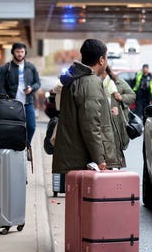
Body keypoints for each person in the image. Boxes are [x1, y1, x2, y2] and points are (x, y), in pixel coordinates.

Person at [52, 39, 121, 173]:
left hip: (76, 158)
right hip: (85, 161)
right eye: (106, 58)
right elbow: (90, 125)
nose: (106, 62)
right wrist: (100, 159)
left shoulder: (76, 79)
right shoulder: (90, 83)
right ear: (101, 60)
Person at [0, 42, 40, 151]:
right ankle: (15, 147)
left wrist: (31, 88)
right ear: (13, 52)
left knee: (31, 126)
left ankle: (26, 145)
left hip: (27, 102)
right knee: (12, 127)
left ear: (25, 52)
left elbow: (37, 83)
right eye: (17, 51)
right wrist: (5, 99)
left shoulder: (31, 67)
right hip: (12, 103)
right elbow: (1, 86)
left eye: (22, 51)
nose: (20, 54)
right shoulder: (6, 68)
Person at [102, 65, 136, 167]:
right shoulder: (96, 85)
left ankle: (116, 168)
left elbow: (132, 95)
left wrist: (121, 98)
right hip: (103, 121)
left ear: (106, 72)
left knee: (116, 146)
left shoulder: (118, 82)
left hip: (117, 121)